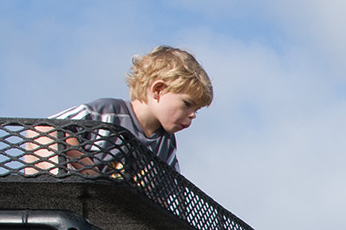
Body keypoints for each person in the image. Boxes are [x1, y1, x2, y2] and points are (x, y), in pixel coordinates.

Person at [25, 46, 212, 176]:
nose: (192, 114)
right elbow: (44, 129)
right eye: (187, 104)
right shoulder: (108, 114)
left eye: (197, 110)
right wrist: (91, 176)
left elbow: (167, 191)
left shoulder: (165, 145)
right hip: (73, 200)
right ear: (158, 90)